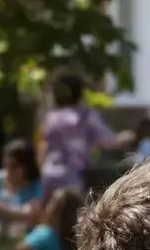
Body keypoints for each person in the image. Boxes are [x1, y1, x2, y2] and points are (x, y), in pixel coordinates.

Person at [40, 72, 130, 201]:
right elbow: (108, 140)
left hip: (49, 175)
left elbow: (44, 148)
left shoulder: (51, 117)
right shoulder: (85, 115)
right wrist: (127, 137)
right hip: (73, 177)